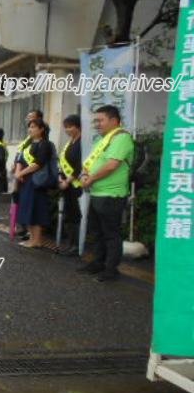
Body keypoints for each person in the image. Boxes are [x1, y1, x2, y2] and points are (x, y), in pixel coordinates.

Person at [77, 105, 135, 282]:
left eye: (100, 120)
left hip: (112, 195)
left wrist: (91, 179)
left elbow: (111, 165)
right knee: (97, 232)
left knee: (111, 234)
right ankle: (98, 263)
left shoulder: (122, 137)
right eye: (96, 121)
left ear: (114, 120)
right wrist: (85, 175)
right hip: (97, 193)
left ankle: (111, 270)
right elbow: (89, 164)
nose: (97, 124)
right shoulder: (102, 140)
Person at [13, 118, 53, 248]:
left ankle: (36, 240)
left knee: (36, 210)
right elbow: (19, 160)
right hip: (25, 181)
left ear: (41, 129)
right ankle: (32, 239)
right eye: (29, 127)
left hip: (36, 182)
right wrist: (18, 172)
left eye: (34, 127)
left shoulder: (45, 144)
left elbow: (38, 163)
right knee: (27, 209)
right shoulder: (27, 144)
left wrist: (21, 173)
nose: (30, 129)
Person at [58, 114, 83, 250]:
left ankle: (75, 246)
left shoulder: (82, 143)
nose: (67, 130)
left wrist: (67, 181)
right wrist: (60, 177)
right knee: (68, 215)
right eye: (65, 127)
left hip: (76, 185)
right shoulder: (69, 143)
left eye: (70, 127)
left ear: (78, 127)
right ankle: (70, 243)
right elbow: (62, 163)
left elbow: (80, 166)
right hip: (66, 184)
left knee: (75, 215)